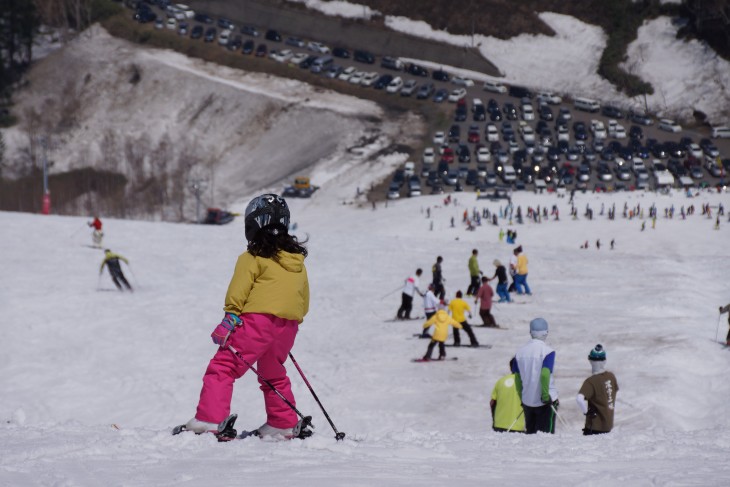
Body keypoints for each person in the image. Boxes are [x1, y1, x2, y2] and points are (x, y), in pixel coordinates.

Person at [181, 194, 311, 440]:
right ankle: (282, 423)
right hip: (288, 327)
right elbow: (303, 301)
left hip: (255, 323)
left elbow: (238, 291)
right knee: (273, 373)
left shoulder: (252, 258)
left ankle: (210, 420)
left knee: (224, 366)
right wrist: (283, 326)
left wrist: (229, 319)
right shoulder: (297, 262)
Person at [511, 318, 558, 434]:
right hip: (545, 402)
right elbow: (545, 374)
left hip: (527, 401)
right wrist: (545, 395)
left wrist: (521, 396)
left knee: (531, 435)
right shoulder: (548, 351)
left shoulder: (519, 353)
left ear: (530, 332)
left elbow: (517, 378)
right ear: (546, 332)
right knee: (546, 435)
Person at [576, 344, 619, 435]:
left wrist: (586, 412)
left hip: (594, 426)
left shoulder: (590, 382)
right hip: (608, 425)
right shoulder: (611, 377)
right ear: (605, 361)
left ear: (590, 361)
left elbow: (579, 399)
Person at [490, 359, 525, 432]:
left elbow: (492, 402)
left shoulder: (500, 381)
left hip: (499, 425)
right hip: (518, 426)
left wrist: (494, 420)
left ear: (510, 367)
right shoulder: (525, 382)